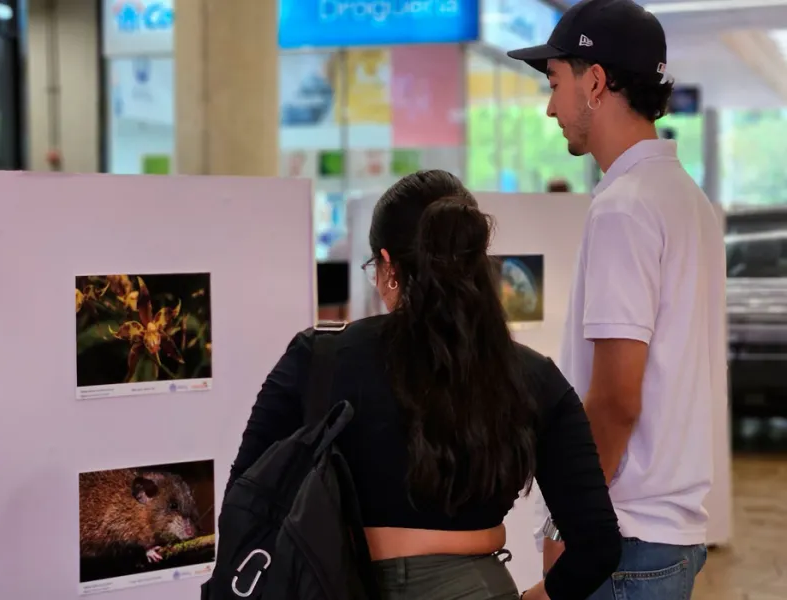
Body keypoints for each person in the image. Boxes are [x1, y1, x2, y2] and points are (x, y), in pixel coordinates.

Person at [226, 170, 621, 600]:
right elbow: (597, 544)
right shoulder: (532, 376)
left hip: (329, 585)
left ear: (387, 266)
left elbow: (244, 498)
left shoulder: (317, 356)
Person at [508, 1, 726, 598]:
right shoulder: (686, 198)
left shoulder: (624, 207)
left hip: (623, 542)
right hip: (666, 537)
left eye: (555, 83)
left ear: (595, 81)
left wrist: (571, 524)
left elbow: (616, 397)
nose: (551, 106)